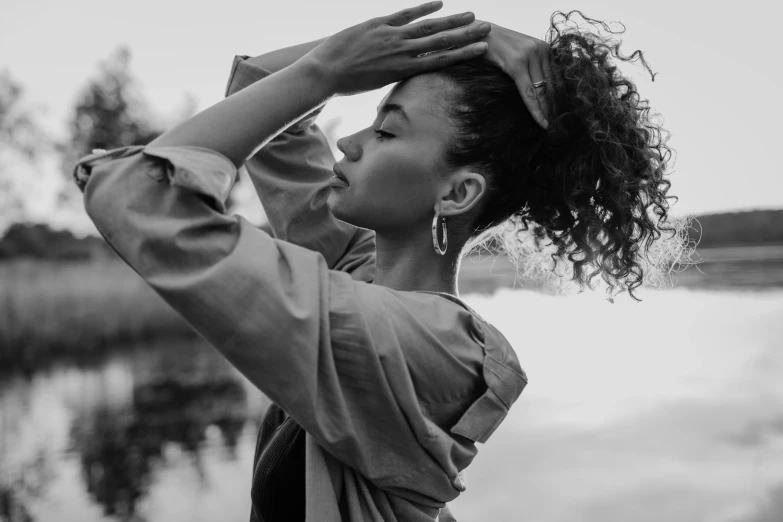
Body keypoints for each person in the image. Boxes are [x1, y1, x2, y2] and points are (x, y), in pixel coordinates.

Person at [72, 3, 676, 521]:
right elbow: (261, 85)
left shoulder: (433, 347)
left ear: (456, 194)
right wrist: (470, 37)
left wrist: (330, 71)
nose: (348, 141)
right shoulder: (356, 267)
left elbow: (139, 196)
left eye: (387, 133)